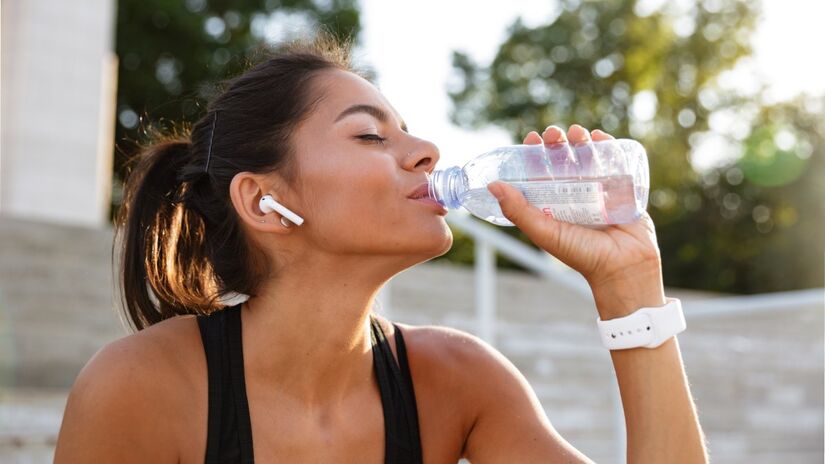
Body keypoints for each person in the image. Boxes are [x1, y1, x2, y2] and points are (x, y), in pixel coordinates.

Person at [54, 30, 707, 463]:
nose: (427, 152)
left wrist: (629, 286)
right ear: (263, 202)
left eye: (408, 131)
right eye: (370, 136)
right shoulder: (144, 388)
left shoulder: (456, 380)